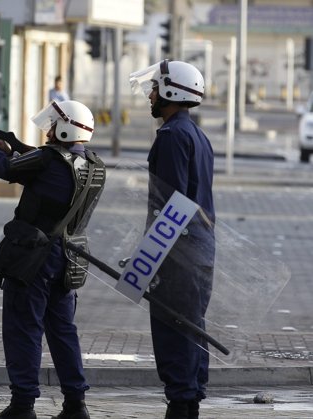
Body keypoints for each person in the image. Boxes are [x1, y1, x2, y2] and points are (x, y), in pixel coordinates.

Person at [0, 100, 106, 419]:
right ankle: (75, 405)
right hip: (68, 258)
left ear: (64, 129)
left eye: (52, 127)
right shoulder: (93, 164)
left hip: (35, 257)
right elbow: (42, 176)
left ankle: (23, 406)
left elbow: (8, 171)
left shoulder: (49, 160)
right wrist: (10, 149)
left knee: (23, 329)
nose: (48, 132)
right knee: (63, 332)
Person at [129, 60, 216, 419]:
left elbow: (171, 203)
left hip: (178, 251)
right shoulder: (196, 134)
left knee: (173, 327)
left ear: (170, 91)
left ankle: (181, 404)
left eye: (154, 88)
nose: (150, 94)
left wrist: (149, 255)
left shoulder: (170, 137)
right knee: (192, 325)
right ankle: (189, 396)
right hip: (199, 247)